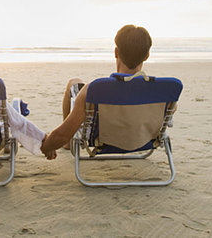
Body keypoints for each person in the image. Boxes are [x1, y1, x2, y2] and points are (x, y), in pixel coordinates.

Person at [40, 24, 152, 159]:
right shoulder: (162, 90)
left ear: (116, 52)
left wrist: (47, 145)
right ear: (147, 56)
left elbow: (62, 135)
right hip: (138, 135)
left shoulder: (93, 90)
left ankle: (69, 144)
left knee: (73, 83)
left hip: (102, 136)